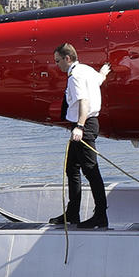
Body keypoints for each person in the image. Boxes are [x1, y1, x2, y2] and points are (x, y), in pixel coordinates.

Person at [51, 43, 109, 229]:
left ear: (67, 58)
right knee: (72, 169)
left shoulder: (75, 76)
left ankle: (100, 216)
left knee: (91, 171)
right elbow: (99, 80)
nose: (57, 65)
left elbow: (84, 101)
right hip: (85, 124)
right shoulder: (87, 70)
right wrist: (104, 72)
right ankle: (73, 213)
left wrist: (80, 127)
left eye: (58, 61)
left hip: (84, 125)